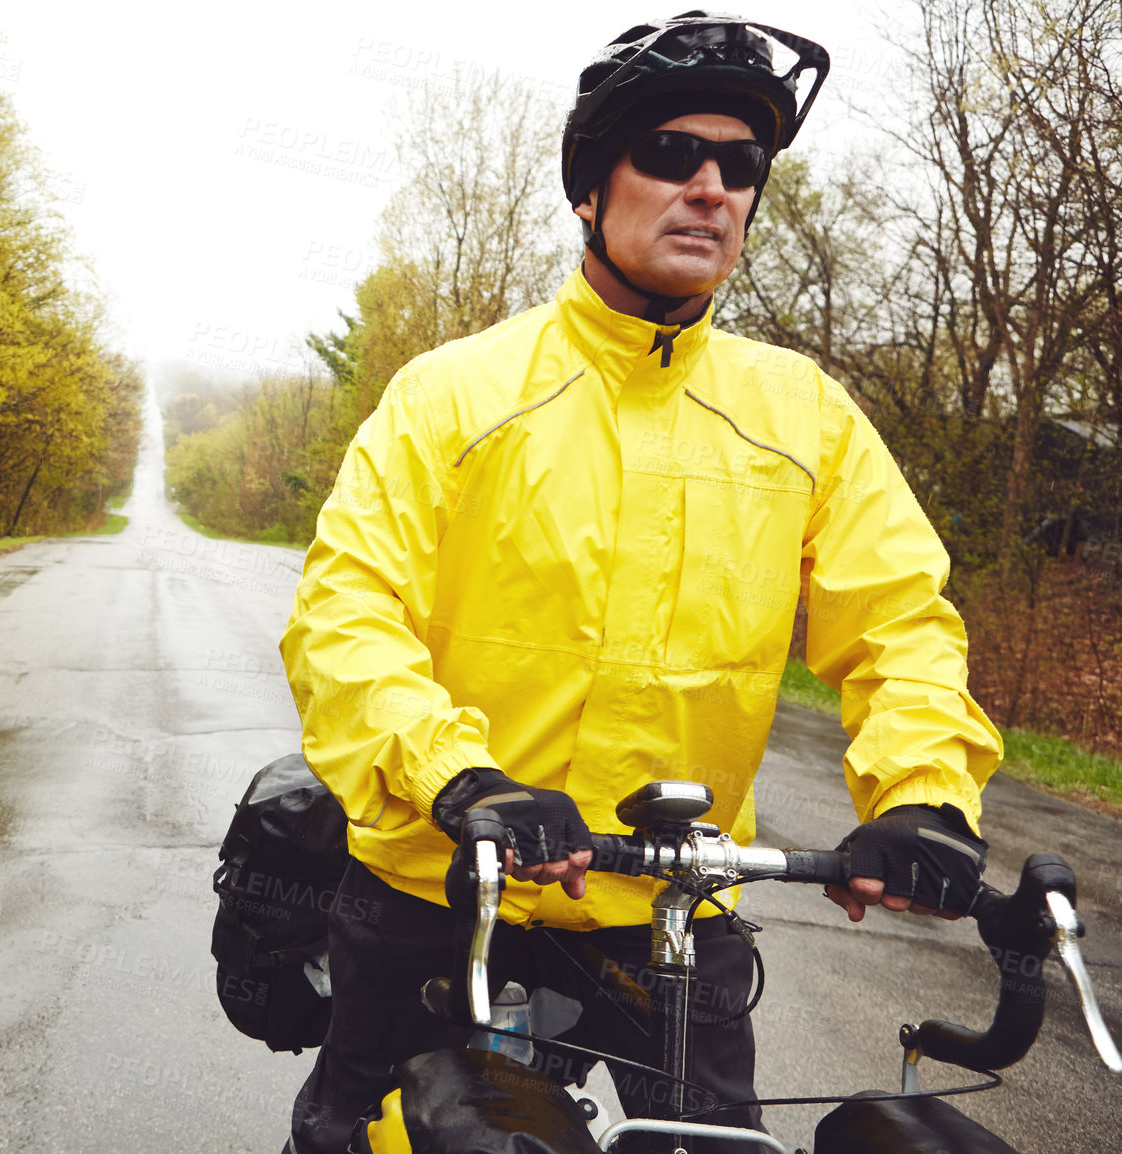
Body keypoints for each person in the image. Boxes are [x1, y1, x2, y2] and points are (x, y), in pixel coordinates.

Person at [277, 12, 1004, 1154]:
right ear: (590, 189)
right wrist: (458, 775)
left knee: (717, 1142)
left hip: (668, 909)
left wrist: (919, 794)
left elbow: (901, 619)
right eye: (670, 153)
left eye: (741, 164)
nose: (710, 186)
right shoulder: (452, 393)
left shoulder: (801, 412)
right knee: (368, 1134)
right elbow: (346, 613)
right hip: (443, 884)